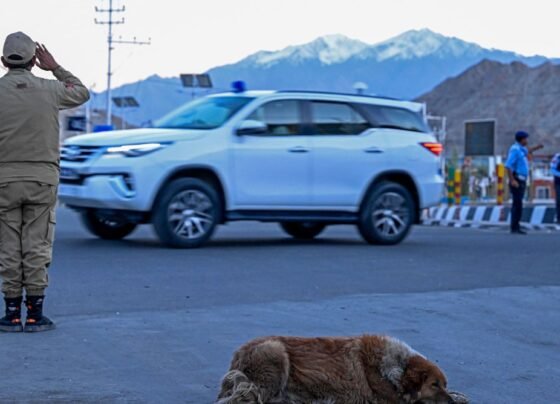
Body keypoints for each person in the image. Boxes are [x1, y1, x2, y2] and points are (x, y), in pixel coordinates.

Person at [0, 32, 89, 332]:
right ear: (33, 62)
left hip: (4, 181)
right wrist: (56, 68)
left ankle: (12, 314)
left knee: (8, 246)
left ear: (3, 61)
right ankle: (35, 315)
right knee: (36, 245)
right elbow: (82, 92)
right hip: (42, 181)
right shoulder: (52, 90)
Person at [505, 131, 543, 235]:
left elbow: (528, 150)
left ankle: (516, 225)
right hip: (517, 179)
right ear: (521, 139)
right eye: (525, 139)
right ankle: (514, 227)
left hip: (522, 179)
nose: (527, 141)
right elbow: (508, 165)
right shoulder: (515, 150)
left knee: (519, 203)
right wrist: (512, 180)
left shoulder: (521, 149)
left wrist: (537, 147)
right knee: (517, 204)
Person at [551, 152, 560, 223]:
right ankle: (558, 217)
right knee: (559, 200)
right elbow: (553, 170)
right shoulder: (557, 157)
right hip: (559, 183)